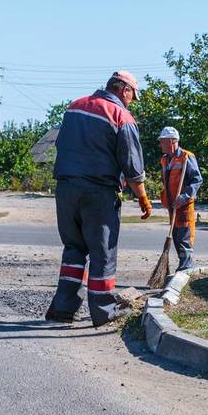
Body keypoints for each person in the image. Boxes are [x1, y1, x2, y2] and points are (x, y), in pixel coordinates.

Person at [46, 70, 153, 327]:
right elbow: (132, 165)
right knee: (102, 252)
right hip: (98, 192)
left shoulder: (74, 107)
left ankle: (63, 308)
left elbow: (62, 145)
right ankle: (104, 311)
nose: (131, 101)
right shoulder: (120, 115)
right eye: (132, 96)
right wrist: (143, 198)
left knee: (74, 249)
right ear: (124, 90)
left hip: (66, 189)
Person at [157, 127, 203, 272]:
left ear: (171, 141)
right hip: (172, 205)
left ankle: (186, 268)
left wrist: (184, 197)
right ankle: (183, 266)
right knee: (176, 237)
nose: (160, 144)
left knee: (183, 238)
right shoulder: (165, 159)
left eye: (162, 141)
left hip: (183, 206)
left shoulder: (186, 157)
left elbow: (197, 180)